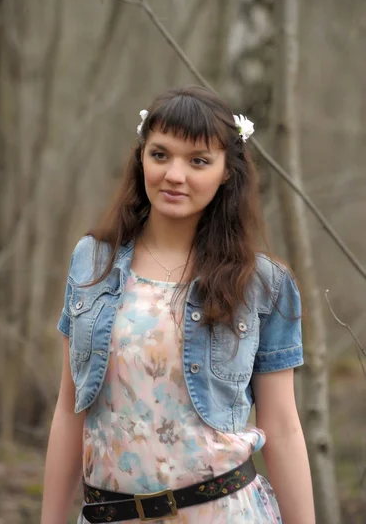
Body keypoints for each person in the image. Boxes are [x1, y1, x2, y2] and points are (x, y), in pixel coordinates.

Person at [40, 85, 315, 524]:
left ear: (227, 171)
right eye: (160, 154)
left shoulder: (263, 283)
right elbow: (68, 408)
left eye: (198, 161)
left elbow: (282, 426)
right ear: (141, 158)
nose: (174, 174)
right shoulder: (92, 261)